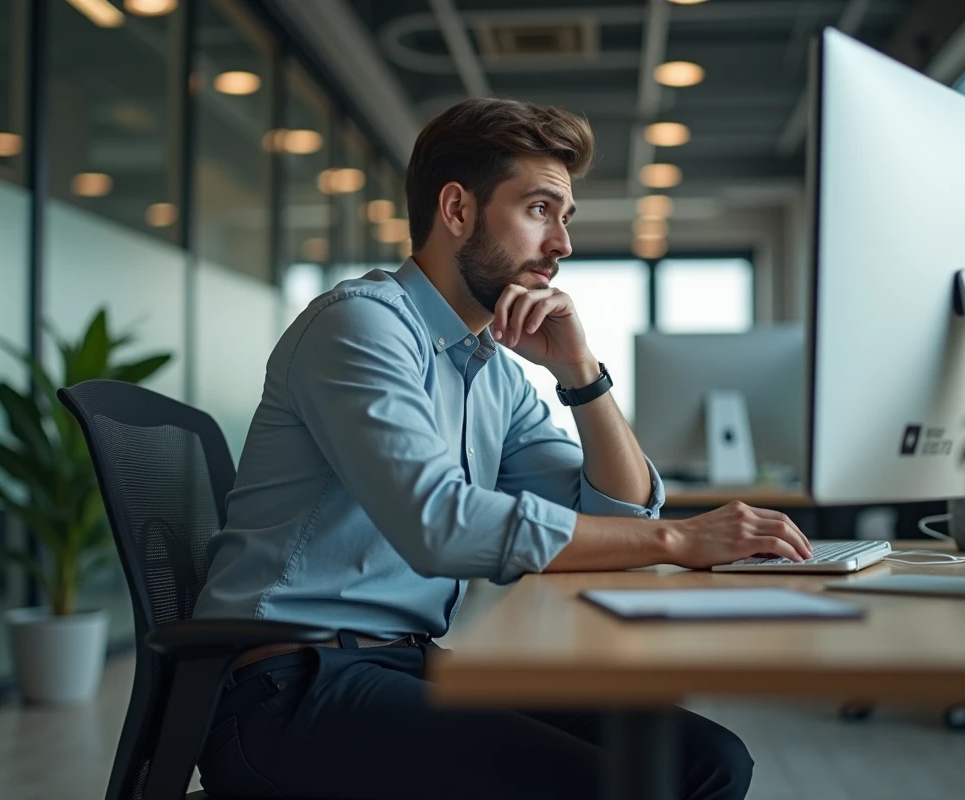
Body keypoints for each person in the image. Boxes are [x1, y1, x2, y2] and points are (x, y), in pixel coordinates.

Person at [193, 97, 811, 800]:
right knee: (610, 785)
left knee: (706, 761)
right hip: (287, 690)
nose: (563, 245)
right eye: (540, 210)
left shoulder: (494, 372)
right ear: (457, 210)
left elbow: (621, 517)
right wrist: (678, 537)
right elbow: (441, 525)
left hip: (402, 666)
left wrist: (580, 375)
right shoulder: (360, 327)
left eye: (565, 216)